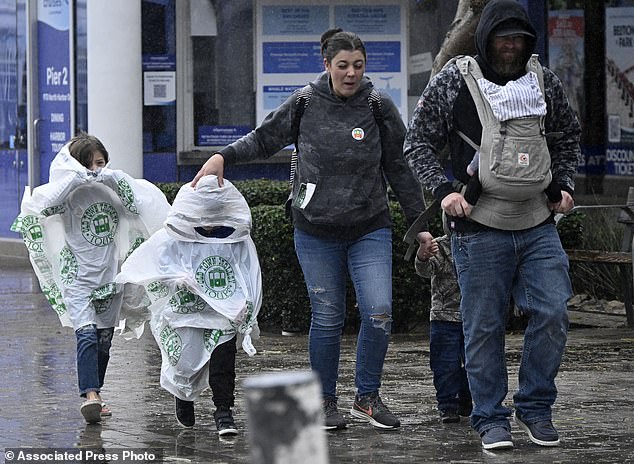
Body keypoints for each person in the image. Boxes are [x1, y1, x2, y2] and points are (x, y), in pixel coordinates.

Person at [191, 28, 433, 430]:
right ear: (327, 65)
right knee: (328, 315)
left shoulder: (377, 105)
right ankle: (324, 401)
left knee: (379, 311)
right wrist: (222, 156)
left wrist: (419, 225)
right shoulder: (304, 102)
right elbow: (263, 139)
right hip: (315, 229)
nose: (351, 73)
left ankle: (367, 398)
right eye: (343, 66)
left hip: (369, 227)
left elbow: (401, 169)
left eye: (358, 65)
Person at [404, 0, 580, 450]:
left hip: (539, 221)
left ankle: (535, 407)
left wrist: (564, 183)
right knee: (482, 327)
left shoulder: (544, 80)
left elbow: (566, 136)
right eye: (503, 38)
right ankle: (489, 418)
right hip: (478, 226)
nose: (511, 47)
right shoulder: (453, 81)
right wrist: (445, 191)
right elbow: (417, 142)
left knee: (555, 311)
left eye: (519, 39)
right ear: (485, 38)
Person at [12, 133, 169, 424]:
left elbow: (138, 202)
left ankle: (95, 391)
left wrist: (107, 177)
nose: (95, 169)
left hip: (111, 276)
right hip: (78, 278)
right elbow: (42, 205)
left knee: (103, 340)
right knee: (85, 333)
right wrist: (76, 179)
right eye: (89, 164)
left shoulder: (113, 186)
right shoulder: (67, 192)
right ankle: (91, 395)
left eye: (100, 162)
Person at [115, 175, 261, 436]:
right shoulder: (172, 238)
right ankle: (183, 395)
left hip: (221, 315)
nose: (208, 223)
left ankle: (224, 412)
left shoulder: (235, 239)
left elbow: (248, 274)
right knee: (183, 362)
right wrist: (176, 280)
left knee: (223, 364)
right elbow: (150, 268)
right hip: (183, 314)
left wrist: (245, 307)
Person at [414, 235, 472, 424]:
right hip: (444, 315)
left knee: (475, 362)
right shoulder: (441, 245)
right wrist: (422, 255)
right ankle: (447, 405)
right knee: (444, 364)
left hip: (474, 314)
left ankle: (467, 397)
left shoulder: (483, 241)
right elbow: (425, 269)